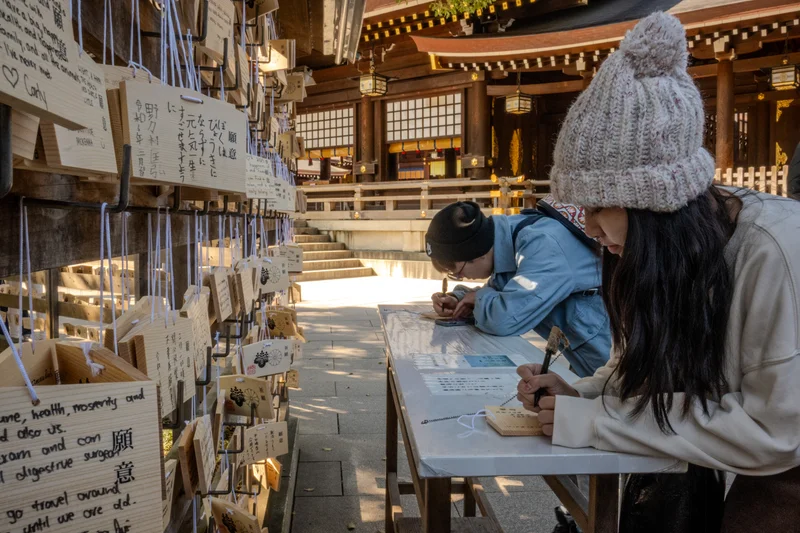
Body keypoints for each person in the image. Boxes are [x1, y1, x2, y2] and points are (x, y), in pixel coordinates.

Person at [516, 12, 800, 532]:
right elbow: (638, 370)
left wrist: (601, 422)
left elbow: (775, 433)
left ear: (658, 203)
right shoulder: (650, 256)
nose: (593, 230)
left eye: (602, 205)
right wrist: (581, 394)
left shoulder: (775, 251)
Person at [424, 199, 611, 377]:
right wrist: (459, 299)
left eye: (458, 272)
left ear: (476, 252)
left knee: (618, 401)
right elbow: (501, 292)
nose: (461, 277)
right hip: (585, 348)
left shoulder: (541, 245)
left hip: (609, 351)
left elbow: (505, 319)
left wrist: (477, 298)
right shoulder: (508, 240)